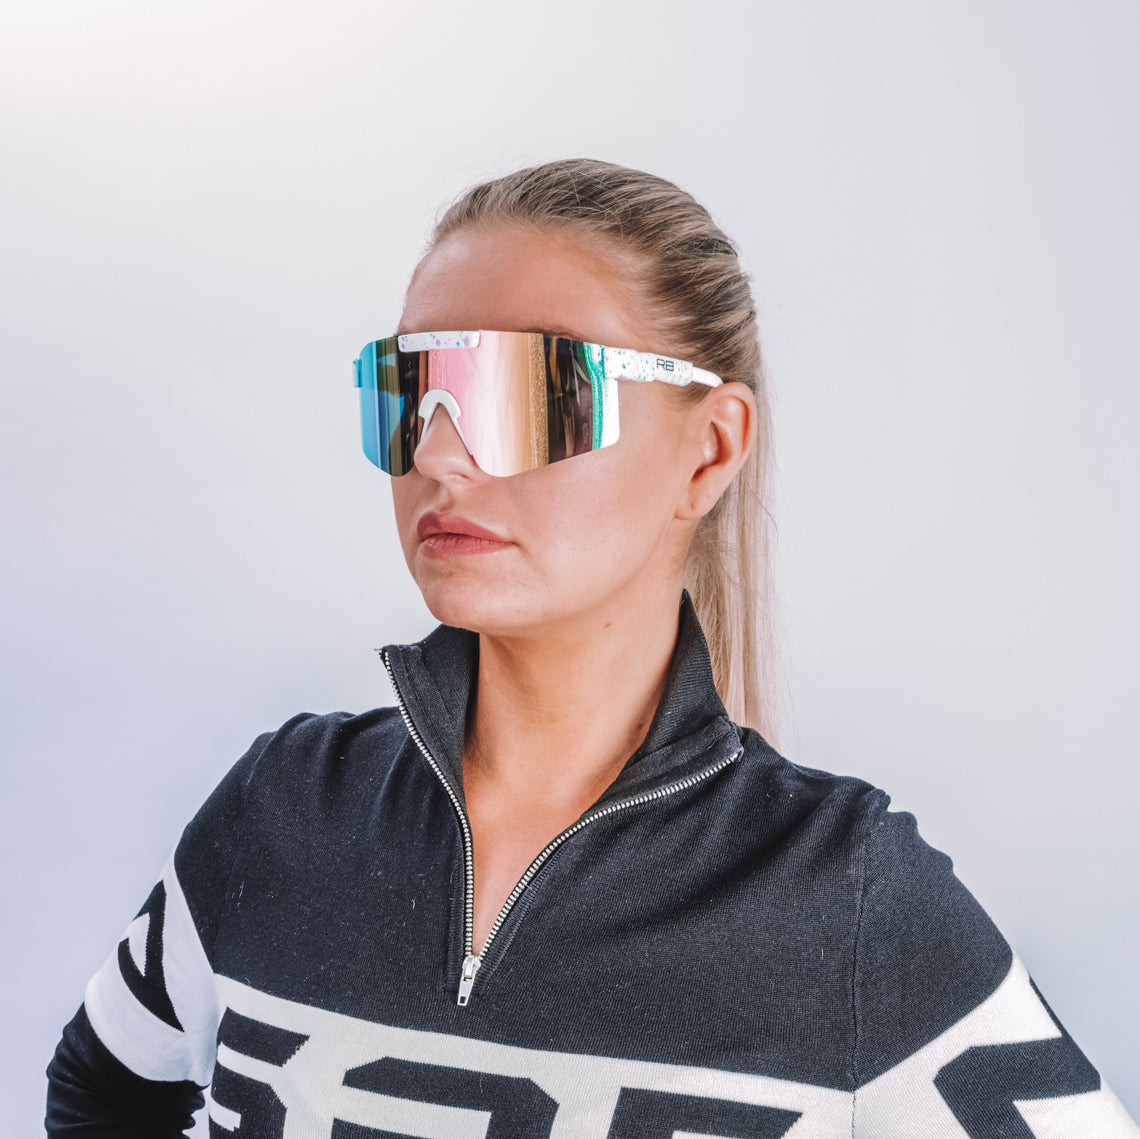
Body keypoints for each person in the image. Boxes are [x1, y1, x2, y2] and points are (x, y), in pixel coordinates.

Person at [46, 159, 1138, 1137]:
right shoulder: (283, 808)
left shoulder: (846, 896)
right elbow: (101, 1093)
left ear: (709, 449)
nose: (440, 455)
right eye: (409, 389)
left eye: (525, 392)